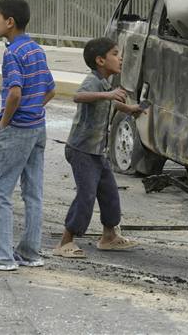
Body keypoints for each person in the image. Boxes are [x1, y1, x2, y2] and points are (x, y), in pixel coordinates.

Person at [0, 0, 56, 271]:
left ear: (9, 22)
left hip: (17, 129)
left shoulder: (12, 53)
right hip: (37, 127)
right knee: (32, 192)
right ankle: (30, 253)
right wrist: (34, 109)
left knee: (0, 192)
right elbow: (50, 89)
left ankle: (1, 256)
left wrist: (4, 124)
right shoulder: (36, 50)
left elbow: (15, 93)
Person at [54, 37, 143, 259]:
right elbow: (78, 96)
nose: (120, 57)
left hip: (97, 151)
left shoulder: (105, 83)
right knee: (86, 195)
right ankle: (66, 241)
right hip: (82, 150)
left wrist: (130, 108)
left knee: (110, 194)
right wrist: (108, 94)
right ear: (100, 60)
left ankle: (109, 237)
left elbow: (111, 102)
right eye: (115, 53)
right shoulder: (94, 82)